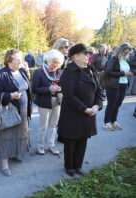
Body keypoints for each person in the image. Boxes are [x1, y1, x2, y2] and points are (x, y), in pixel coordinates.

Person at [58, 43, 103, 177]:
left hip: (89, 112)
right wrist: (85, 109)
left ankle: (78, 165)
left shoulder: (90, 69)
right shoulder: (68, 73)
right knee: (71, 141)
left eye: (88, 54)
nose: (88, 56)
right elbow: (69, 96)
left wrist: (97, 105)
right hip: (74, 113)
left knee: (83, 140)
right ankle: (69, 166)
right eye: (85, 54)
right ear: (76, 56)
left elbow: (99, 90)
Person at [0, 49, 32, 176]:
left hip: (23, 109)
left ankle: (15, 154)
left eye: (21, 59)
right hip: (9, 110)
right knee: (6, 136)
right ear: (9, 60)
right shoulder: (1, 74)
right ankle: (4, 164)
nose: (21, 62)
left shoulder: (22, 71)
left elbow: (27, 89)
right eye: (18, 59)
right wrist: (10, 95)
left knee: (20, 133)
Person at [32, 49, 64, 155]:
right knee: (43, 126)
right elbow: (35, 89)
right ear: (47, 60)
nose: (55, 64)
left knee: (53, 125)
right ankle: (40, 146)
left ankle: (51, 145)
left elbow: (63, 86)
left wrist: (60, 89)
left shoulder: (58, 72)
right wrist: (48, 89)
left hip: (57, 101)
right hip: (44, 101)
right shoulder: (39, 71)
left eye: (57, 62)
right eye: (53, 61)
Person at [103, 43, 134, 131]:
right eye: (125, 52)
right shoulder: (114, 60)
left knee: (118, 104)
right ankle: (106, 122)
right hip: (113, 85)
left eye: (128, 53)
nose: (127, 54)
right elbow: (108, 72)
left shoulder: (125, 60)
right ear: (121, 51)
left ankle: (113, 121)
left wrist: (130, 72)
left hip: (123, 84)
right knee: (111, 104)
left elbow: (128, 70)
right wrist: (123, 73)